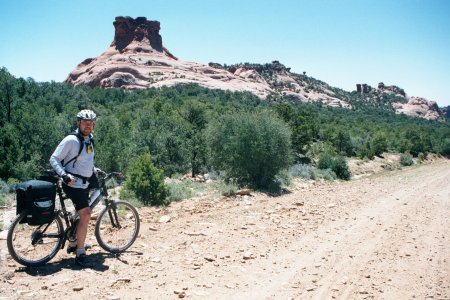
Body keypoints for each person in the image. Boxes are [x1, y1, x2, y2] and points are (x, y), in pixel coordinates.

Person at [50, 109, 97, 267]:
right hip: (72, 184)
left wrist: (94, 170)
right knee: (86, 214)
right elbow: (54, 159)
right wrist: (64, 175)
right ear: (79, 123)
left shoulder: (90, 139)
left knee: (80, 212)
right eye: (85, 123)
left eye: (90, 123)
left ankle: (73, 240)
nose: (88, 126)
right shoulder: (71, 140)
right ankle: (80, 253)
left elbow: (86, 159)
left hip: (85, 182)